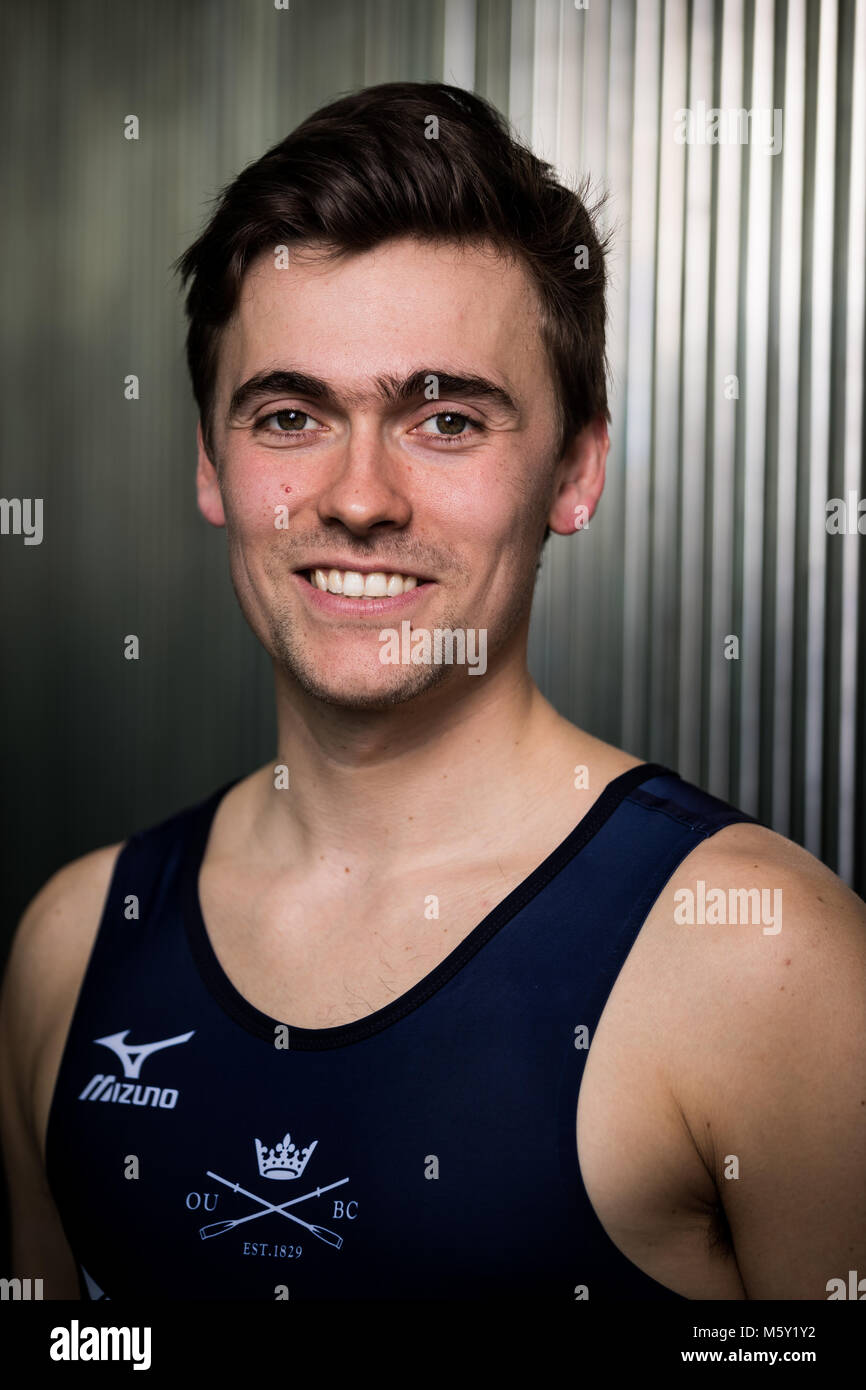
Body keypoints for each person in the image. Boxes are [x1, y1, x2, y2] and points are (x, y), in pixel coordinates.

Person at [1, 81, 863, 1302]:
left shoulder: (767, 966)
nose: (359, 497)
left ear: (574, 471)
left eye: (445, 418)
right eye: (290, 414)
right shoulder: (74, 948)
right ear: (210, 462)